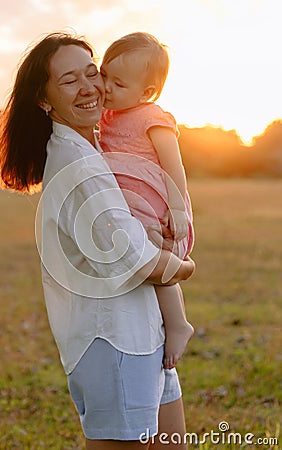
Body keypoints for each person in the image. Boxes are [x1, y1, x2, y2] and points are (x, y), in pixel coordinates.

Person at [0, 32, 195, 449]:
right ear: (44, 100)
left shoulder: (99, 143)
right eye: (69, 80)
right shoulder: (76, 165)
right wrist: (185, 263)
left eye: (91, 72)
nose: (90, 87)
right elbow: (141, 261)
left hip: (144, 334)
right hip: (113, 344)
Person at [99, 32, 195, 370]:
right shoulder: (105, 115)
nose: (107, 87)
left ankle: (178, 323)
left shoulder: (153, 117)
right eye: (104, 75)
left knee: (159, 265)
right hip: (127, 208)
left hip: (155, 207)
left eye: (119, 83)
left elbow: (173, 164)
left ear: (147, 92)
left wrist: (178, 208)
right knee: (139, 264)